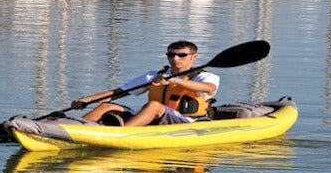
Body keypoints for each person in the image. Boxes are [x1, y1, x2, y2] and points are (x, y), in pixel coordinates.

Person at [70, 41, 220, 126]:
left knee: (153, 105)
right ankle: (76, 128)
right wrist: (87, 100)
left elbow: (209, 88)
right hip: (156, 116)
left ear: (194, 57)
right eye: (171, 54)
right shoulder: (155, 75)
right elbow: (118, 93)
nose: (175, 58)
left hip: (187, 121)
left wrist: (176, 80)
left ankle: (121, 135)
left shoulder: (205, 76)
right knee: (107, 106)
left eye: (181, 55)